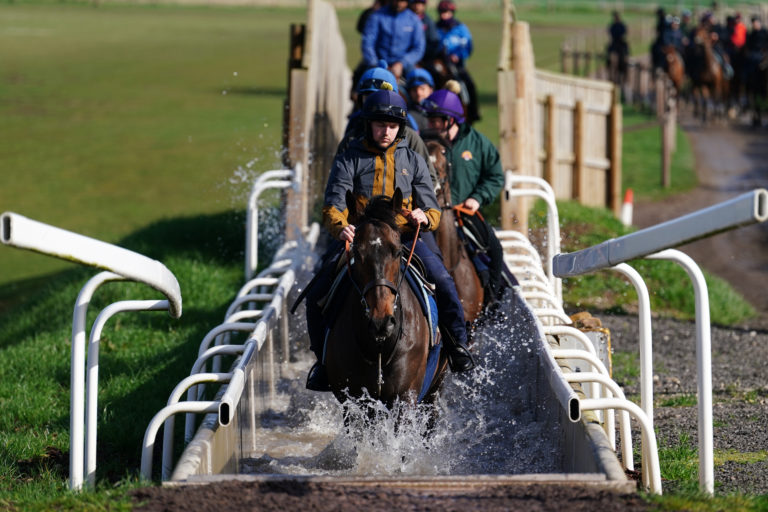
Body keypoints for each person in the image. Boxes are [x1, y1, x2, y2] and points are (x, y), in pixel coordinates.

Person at [304, 90, 475, 391]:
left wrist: (425, 217)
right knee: (316, 291)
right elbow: (333, 205)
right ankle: (322, 364)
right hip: (358, 240)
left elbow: (431, 206)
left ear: (401, 128)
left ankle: (457, 346)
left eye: (393, 126)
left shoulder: (413, 160)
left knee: (445, 283)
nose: (386, 131)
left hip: (403, 240)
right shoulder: (350, 158)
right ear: (369, 124)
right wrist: (341, 227)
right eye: (380, 125)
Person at [420, 89, 506, 305]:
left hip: (464, 212)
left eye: (435, 120)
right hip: (425, 214)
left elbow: (495, 176)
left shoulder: (478, 143)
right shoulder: (421, 143)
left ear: (450, 120)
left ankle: (492, 300)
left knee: (495, 249)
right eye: (429, 120)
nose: (430, 125)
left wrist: (478, 197)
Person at [338, 63, 438, 187]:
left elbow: (429, 179)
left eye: (392, 126)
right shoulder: (353, 133)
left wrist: (416, 203)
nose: (374, 103)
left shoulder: (410, 135)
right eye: (368, 97)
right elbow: (338, 180)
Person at [434, 0, 480, 124]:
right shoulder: (435, 28)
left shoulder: (461, 28)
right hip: (438, 64)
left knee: (469, 84)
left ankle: (472, 112)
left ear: (452, 12)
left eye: (447, 12)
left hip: (456, 66)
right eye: (442, 12)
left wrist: (458, 55)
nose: (444, 15)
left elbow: (468, 47)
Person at [361, 0, 425, 81]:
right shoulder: (377, 16)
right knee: (360, 81)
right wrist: (375, 63)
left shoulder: (414, 20)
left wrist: (402, 63)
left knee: (419, 83)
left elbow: (418, 48)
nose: (399, 3)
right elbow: (368, 43)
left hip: (404, 66)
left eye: (402, 1)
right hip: (378, 63)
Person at [405, 68, 435, 132]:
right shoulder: (407, 116)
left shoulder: (440, 110)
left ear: (431, 89)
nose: (419, 93)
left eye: (422, 88)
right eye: (414, 90)